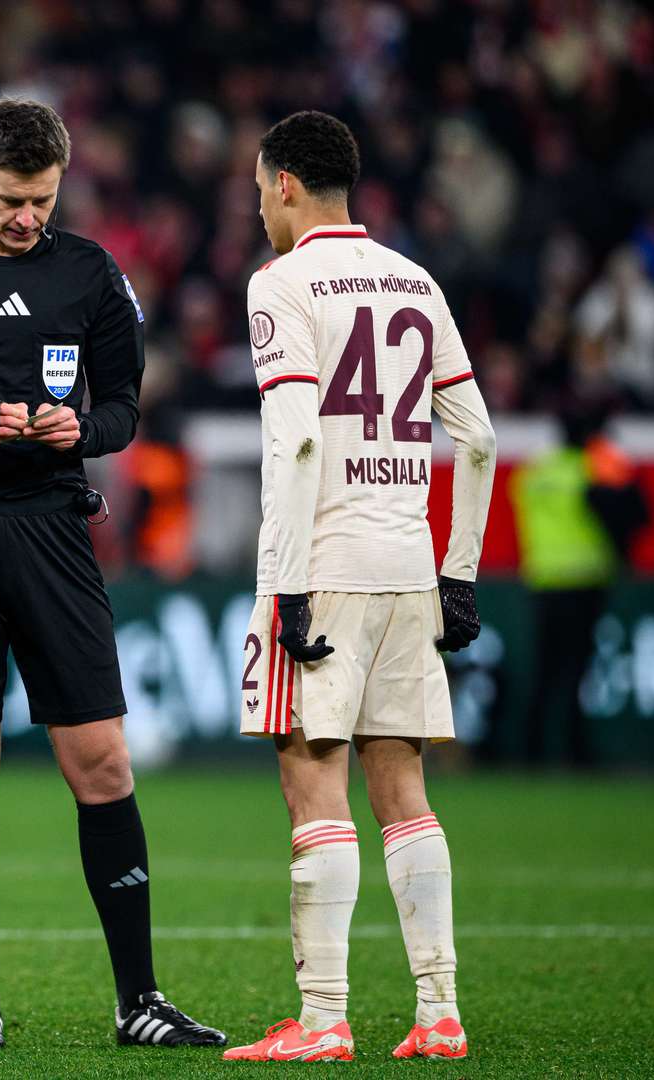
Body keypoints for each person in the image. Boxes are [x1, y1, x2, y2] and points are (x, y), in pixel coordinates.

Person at [0, 96, 222, 1051]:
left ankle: (138, 1000)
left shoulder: (91, 273)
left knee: (101, 761)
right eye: (15, 199)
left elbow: (124, 409)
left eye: (45, 201)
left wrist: (81, 430)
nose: (30, 219)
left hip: (54, 532)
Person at [221, 111, 497, 1063]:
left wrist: (289, 585)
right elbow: (480, 437)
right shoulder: (415, 278)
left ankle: (325, 1017)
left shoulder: (282, 283)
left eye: (260, 188)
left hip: (323, 562)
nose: (258, 206)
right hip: (407, 563)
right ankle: (439, 1011)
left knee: (312, 780)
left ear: (288, 184)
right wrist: (457, 572)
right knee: (405, 788)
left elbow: (297, 438)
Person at [510, 397, 649, 766]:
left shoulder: (534, 472)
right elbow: (637, 511)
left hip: (542, 581)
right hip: (585, 580)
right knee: (576, 671)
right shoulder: (594, 468)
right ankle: (576, 752)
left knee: (542, 671)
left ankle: (530, 753)